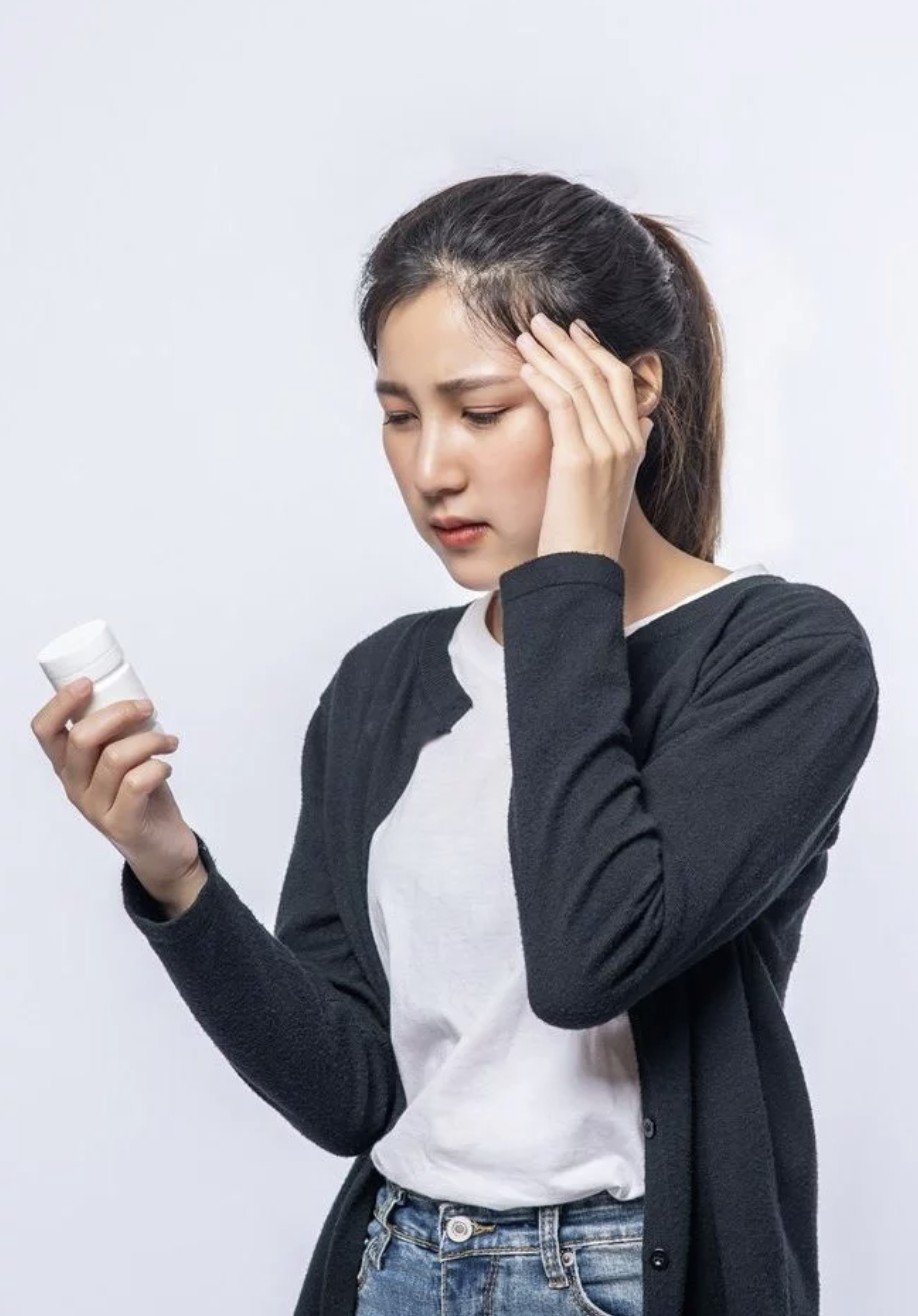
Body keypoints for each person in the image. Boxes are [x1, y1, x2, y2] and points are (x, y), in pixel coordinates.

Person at [31, 172, 880, 1316]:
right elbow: (352, 1095)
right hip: (395, 1261)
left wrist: (566, 572)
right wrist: (174, 874)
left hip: (620, 1273)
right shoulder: (385, 681)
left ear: (629, 396)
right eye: (399, 413)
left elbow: (590, 956)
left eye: (480, 412)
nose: (432, 468)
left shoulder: (781, 654)